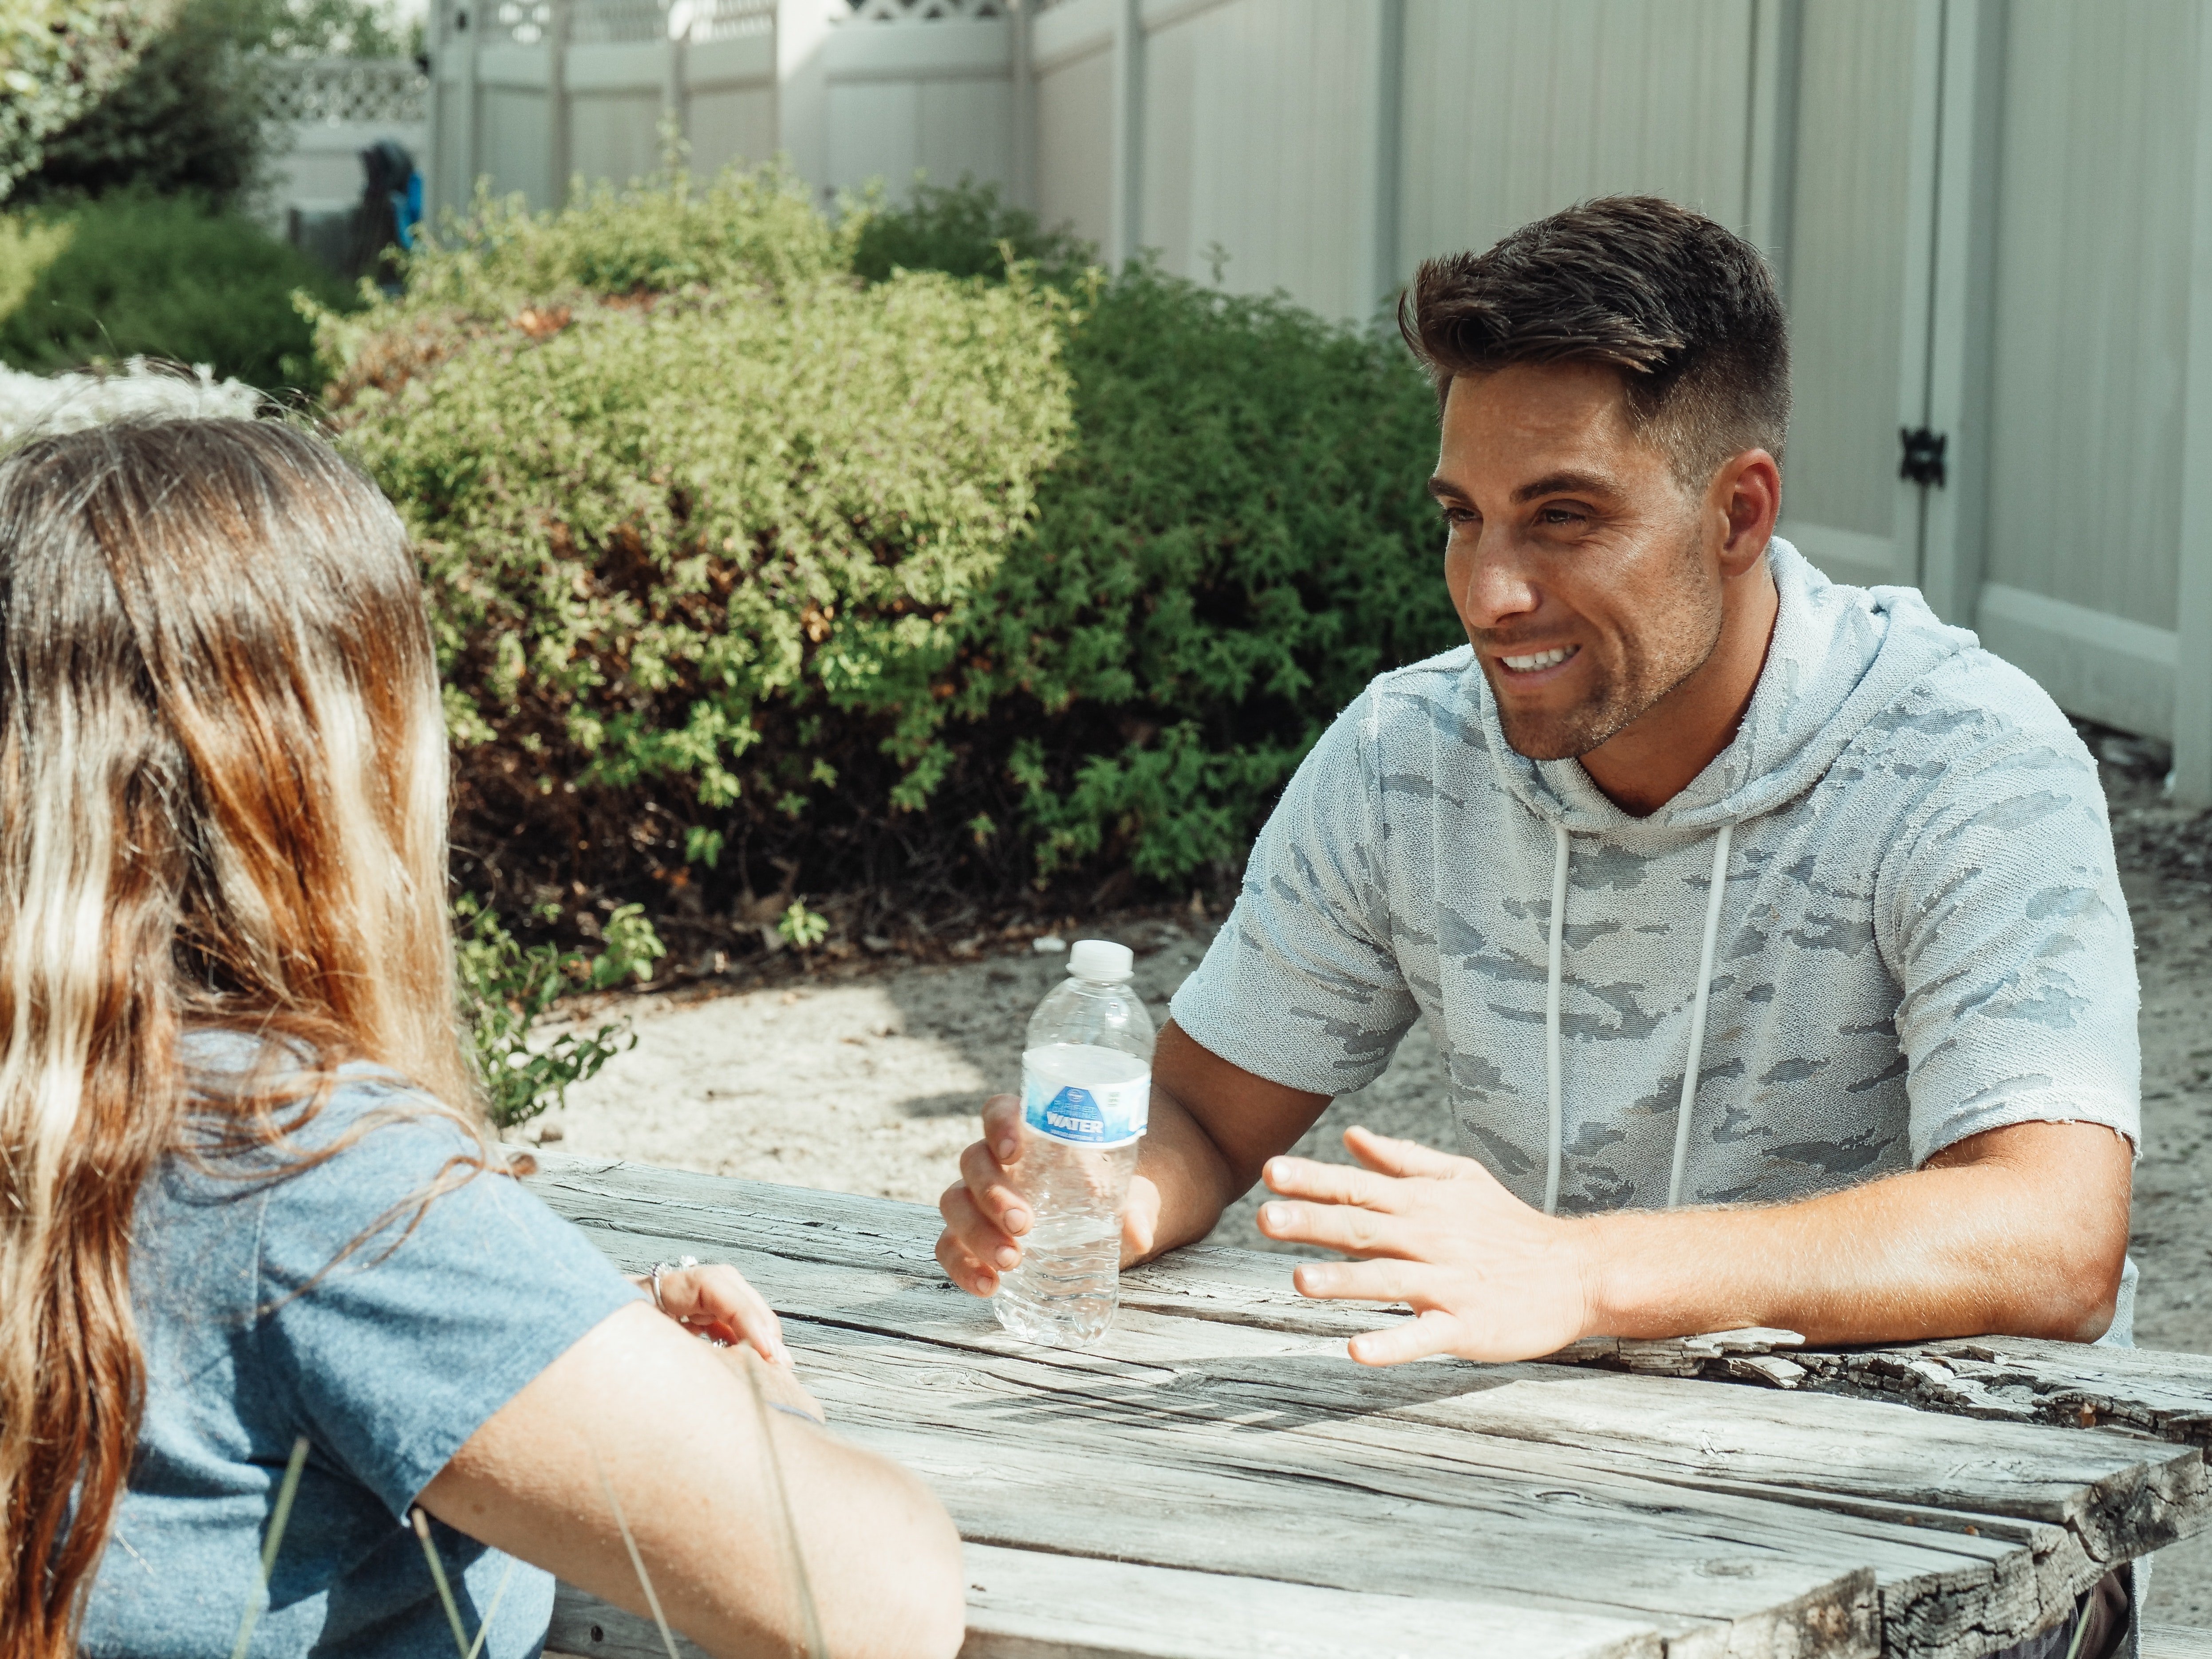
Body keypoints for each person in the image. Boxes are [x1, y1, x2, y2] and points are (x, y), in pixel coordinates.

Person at [936, 197, 2139, 1659]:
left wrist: (1582, 1271)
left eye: (1562, 517)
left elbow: (2051, 1234)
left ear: (1739, 512)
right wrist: (1100, 1200)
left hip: (1939, 1569)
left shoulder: (1963, 755)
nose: (1489, 593)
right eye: (1463, 517)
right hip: (1565, 1515)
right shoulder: (1405, 755)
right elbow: (1200, 1104)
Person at [0, 414, 965, 1659]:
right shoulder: (292, 1162)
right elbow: (878, 1600)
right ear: (332, 759)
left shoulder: (97, 1122)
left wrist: (544, 1337)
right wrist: (742, 1404)